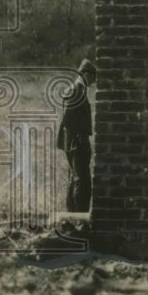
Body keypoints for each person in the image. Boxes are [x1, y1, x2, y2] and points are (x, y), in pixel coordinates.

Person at [56, 58, 96, 212]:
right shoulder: (77, 89)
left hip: (73, 141)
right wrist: (79, 138)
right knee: (82, 181)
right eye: (92, 77)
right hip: (76, 143)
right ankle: (80, 219)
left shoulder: (77, 88)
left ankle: (73, 217)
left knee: (75, 179)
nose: (93, 82)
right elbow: (67, 118)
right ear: (85, 74)